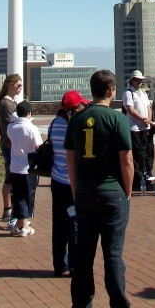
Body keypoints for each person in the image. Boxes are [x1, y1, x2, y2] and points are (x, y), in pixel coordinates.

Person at [64, 69, 138, 308]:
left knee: (83, 255)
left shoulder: (76, 119)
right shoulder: (117, 118)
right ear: (110, 90)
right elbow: (126, 159)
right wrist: (128, 190)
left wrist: (76, 190)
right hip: (112, 192)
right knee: (113, 255)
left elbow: (70, 159)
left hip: (84, 193)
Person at [49, 90, 90, 275]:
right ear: (76, 107)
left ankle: (59, 264)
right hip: (74, 183)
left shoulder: (54, 124)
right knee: (74, 224)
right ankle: (74, 265)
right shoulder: (79, 126)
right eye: (81, 104)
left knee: (58, 224)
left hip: (57, 180)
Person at [6, 101, 42, 237]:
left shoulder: (11, 127)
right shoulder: (31, 128)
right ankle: (25, 226)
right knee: (28, 196)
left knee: (18, 196)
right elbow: (38, 146)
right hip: (28, 167)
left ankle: (19, 224)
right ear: (29, 113)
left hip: (15, 167)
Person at [0, 73, 23, 223]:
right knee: (10, 176)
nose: (20, 88)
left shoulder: (11, 102)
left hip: (13, 143)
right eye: (18, 85)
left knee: (13, 176)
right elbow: (11, 126)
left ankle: (11, 208)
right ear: (10, 85)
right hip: (9, 144)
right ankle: (7, 209)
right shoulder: (6, 104)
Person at [121, 70, 152, 193]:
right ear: (132, 81)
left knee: (144, 152)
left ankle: (143, 176)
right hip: (134, 128)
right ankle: (136, 179)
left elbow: (148, 107)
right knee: (136, 154)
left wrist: (148, 119)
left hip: (144, 127)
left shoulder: (143, 93)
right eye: (137, 80)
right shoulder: (128, 93)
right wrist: (142, 119)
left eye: (140, 80)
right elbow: (130, 109)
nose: (139, 82)